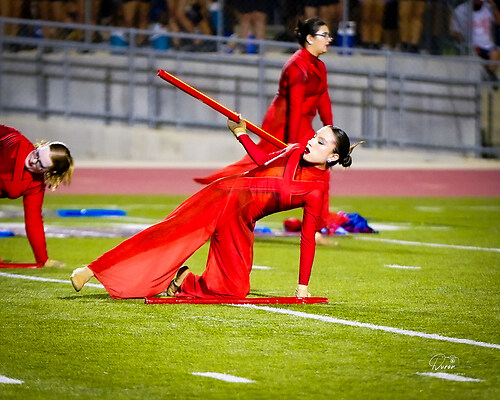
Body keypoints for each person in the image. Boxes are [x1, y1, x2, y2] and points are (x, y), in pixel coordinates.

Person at [70, 119, 357, 299]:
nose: (311, 141)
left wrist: (302, 285)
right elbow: (261, 161)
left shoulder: (316, 191)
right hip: (224, 196)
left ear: (333, 157)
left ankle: (183, 280)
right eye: (314, 135)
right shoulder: (294, 150)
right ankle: (92, 269)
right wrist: (241, 133)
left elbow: (307, 239)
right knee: (168, 233)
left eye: (320, 142)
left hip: (241, 221)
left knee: (234, 290)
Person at [195, 17, 333, 183]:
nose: (329, 39)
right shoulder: (297, 66)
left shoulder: (319, 66)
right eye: (324, 35)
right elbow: (294, 106)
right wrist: (291, 143)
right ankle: (223, 181)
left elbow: (323, 99)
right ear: (310, 38)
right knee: (263, 164)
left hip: (302, 122)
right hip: (283, 123)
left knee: (316, 167)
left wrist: (331, 131)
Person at [0, 125, 74, 266]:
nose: (33, 161)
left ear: (51, 171)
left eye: (40, 164)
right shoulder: (13, 140)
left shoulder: (35, 185)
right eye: (37, 154)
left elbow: (33, 222)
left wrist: (43, 260)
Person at [450, 0, 500, 84]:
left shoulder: (488, 8)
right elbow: (455, 32)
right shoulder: (460, 10)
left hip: (487, 46)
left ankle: (490, 75)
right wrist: (465, 42)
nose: (479, 3)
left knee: (496, 52)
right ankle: (489, 76)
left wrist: (493, 5)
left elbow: (498, 21)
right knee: (475, 54)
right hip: (471, 45)